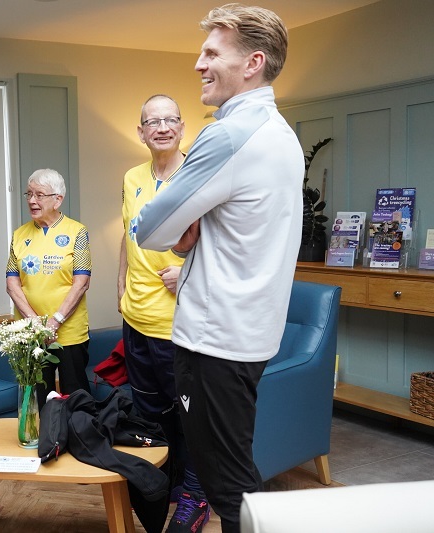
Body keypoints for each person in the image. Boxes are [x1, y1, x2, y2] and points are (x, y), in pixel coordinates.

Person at [135, 5, 304, 532]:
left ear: (252, 62)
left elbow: (149, 229)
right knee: (231, 470)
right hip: (248, 333)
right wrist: (195, 237)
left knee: (226, 485)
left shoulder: (228, 135)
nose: (198, 63)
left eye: (212, 52)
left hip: (214, 341)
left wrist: (185, 234)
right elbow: (241, 232)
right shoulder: (281, 133)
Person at [118, 94, 209, 533]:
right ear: (141, 132)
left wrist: (189, 269)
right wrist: (121, 289)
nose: (161, 127)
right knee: (151, 413)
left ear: (181, 126)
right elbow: (127, 236)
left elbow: (219, 240)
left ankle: (196, 495)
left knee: (188, 414)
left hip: (178, 322)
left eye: (169, 119)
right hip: (135, 317)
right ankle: (170, 483)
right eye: (152, 121)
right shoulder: (132, 177)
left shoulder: (199, 174)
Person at [6, 169, 92, 408]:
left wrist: (55, 321)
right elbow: (12, 284)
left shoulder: (78, 232)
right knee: (37, 396)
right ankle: (45, 442)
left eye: (40, 195)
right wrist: (35, 324)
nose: (32, 201)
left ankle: (79, 441)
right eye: (29, 194)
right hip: (30, 331)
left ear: (58, 199)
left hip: (69, 332)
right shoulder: (19, 235)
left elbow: (82, 282)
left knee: (76, 396)